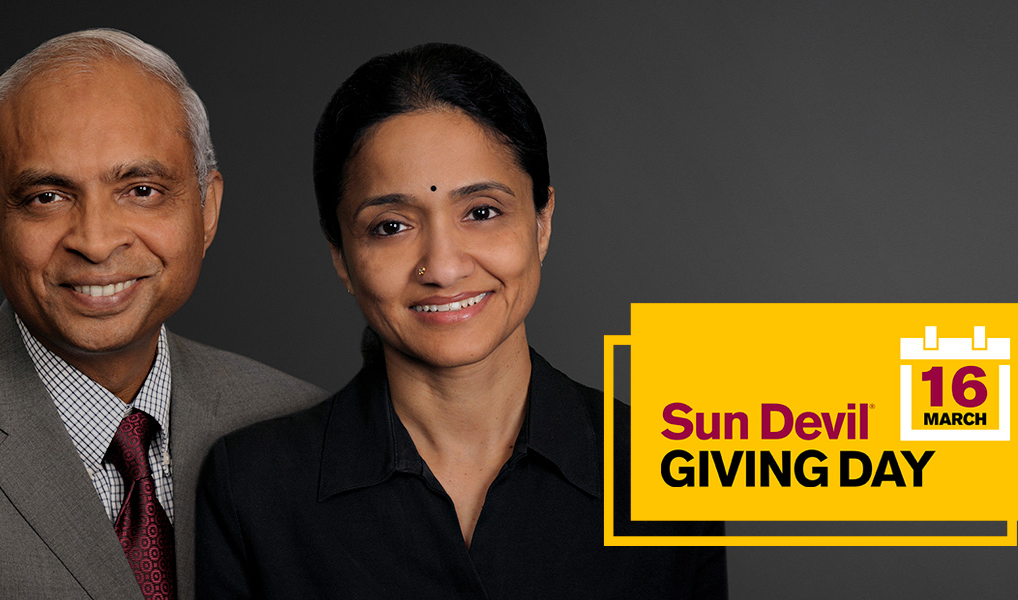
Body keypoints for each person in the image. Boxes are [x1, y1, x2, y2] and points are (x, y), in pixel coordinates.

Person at [195, 42, 727, 598]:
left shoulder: (668, 466)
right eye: (390, 226)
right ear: (341, 258)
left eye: (482, 212)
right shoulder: (252, 489)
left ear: (542, 223)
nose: (443, 268)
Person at [0, 29, 325, 600]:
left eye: (142, 189)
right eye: (46, 197)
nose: (96, 243)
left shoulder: (302, 428)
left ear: (207, 210)